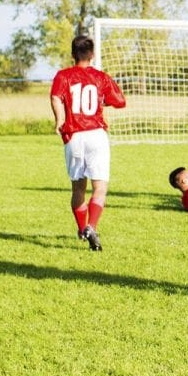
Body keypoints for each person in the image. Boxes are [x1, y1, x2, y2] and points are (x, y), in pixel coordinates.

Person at [49, 35, 126, 251]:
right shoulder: (100, 77)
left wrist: (59, 120)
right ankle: (91, 226)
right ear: (92, 55)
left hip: (73, 136)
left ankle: (82, 228)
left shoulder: (63, 76)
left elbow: (55, 97)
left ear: (73, 54)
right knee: (99, 188)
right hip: (96, 134)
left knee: (78, 189)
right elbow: (120, 101)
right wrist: (103, 99)